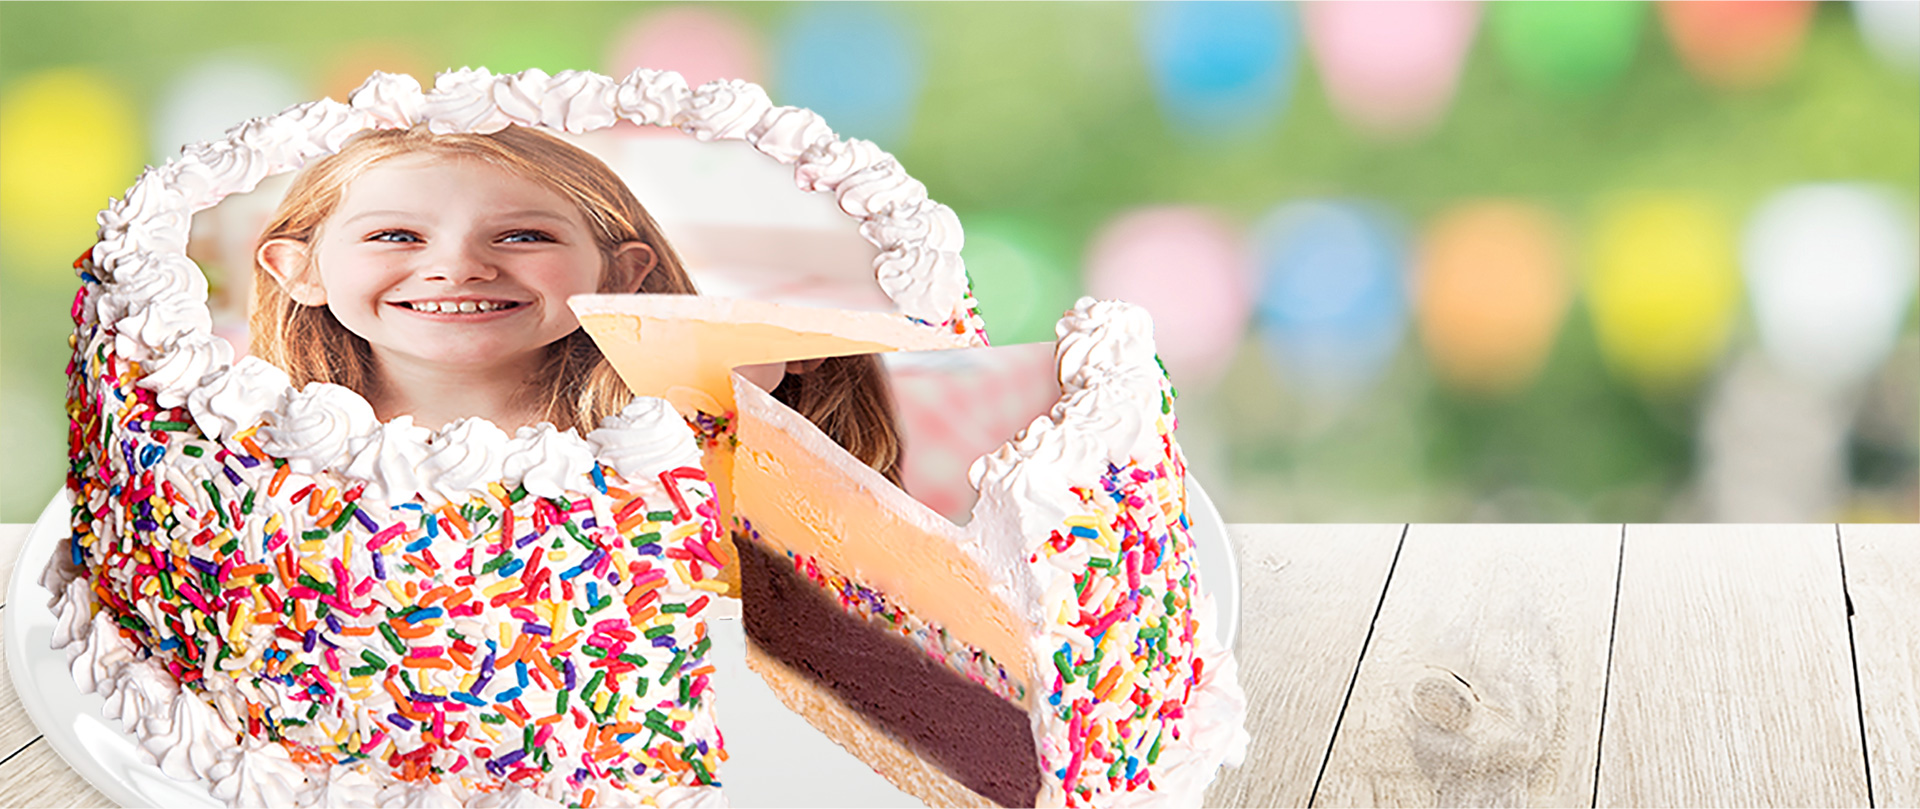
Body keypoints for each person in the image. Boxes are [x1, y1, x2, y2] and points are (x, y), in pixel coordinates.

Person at [251, 124, 902, 483]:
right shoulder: (253, 438)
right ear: (298, 270)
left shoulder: (668, 423)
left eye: (524, 235)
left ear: (620, 271)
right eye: (395, 235)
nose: (459, 267)